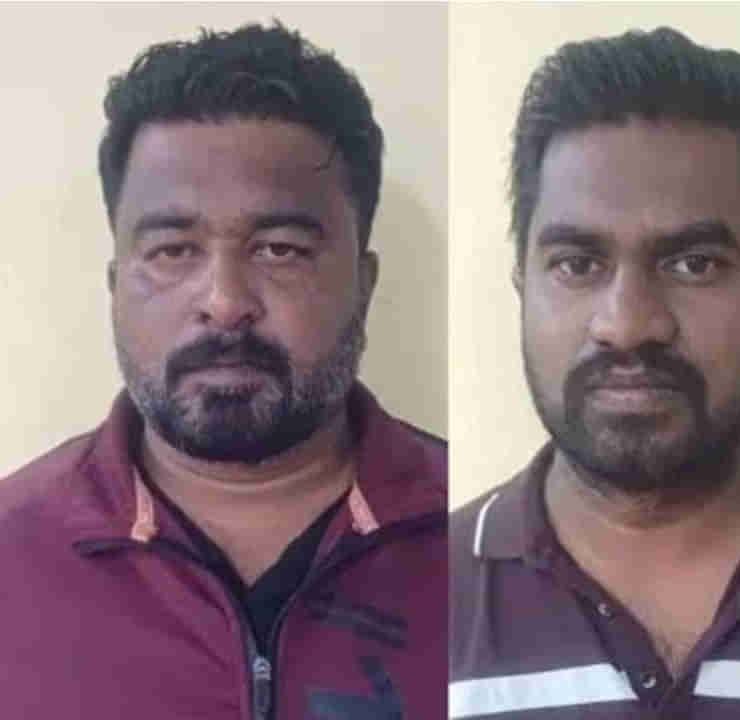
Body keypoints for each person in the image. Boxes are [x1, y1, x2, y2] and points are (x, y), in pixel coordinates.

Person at [0, 22, 448, 717]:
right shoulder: (12, 553)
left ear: (363, 285)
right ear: (116, 284)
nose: (226, 302)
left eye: (280, 249)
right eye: (173, 250)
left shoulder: (482, 549)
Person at [449, 27, 740, 719]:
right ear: (524, 297)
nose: (629, 324)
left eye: (694, 264)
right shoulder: (424, 594)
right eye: (578, 264)